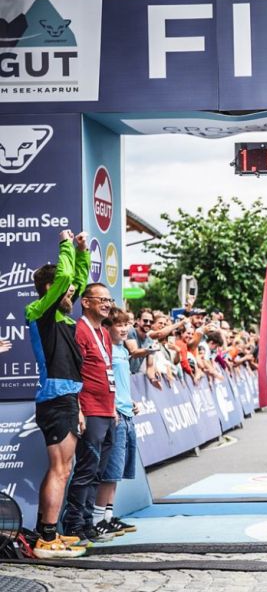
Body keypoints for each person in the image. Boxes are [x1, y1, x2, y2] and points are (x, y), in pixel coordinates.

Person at [26, 229, 90, 558]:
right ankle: (47, 539)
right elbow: (66, 277)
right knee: (60, 469)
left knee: (61, 468)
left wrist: (81, 252)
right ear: (52, 289)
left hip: (65, 399)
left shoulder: (61, 314)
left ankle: (46, 532)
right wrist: (66, 244)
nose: (74, 294)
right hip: (55, 399)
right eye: (67, 291)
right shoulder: (41, 311)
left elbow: (75, 277)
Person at [62, 283, 119, 545]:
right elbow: (74, 373)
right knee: (86, 469)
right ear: (85, 302)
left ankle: (87, 523)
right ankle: (73, 525)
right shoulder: (80, 330)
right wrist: (80, 410)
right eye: (102, 299)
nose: (107, 304)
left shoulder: (104, 333)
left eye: (109, 299)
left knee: (98, 471)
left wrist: (114, 407)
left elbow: (106, 371)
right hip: (90, 410)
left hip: (107, 411)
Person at [93, 307, 139, 537]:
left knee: (117, 472)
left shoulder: (122, 349)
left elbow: (120, 383)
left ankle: (108, 518)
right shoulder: (106, 349)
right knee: (109, 471)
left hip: (127, 413)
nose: (124, 329)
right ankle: (96, 520)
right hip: (114, 416)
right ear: (107, 328)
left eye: (126, 324)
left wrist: (131, 401)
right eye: (118, 325)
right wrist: (111, 407)